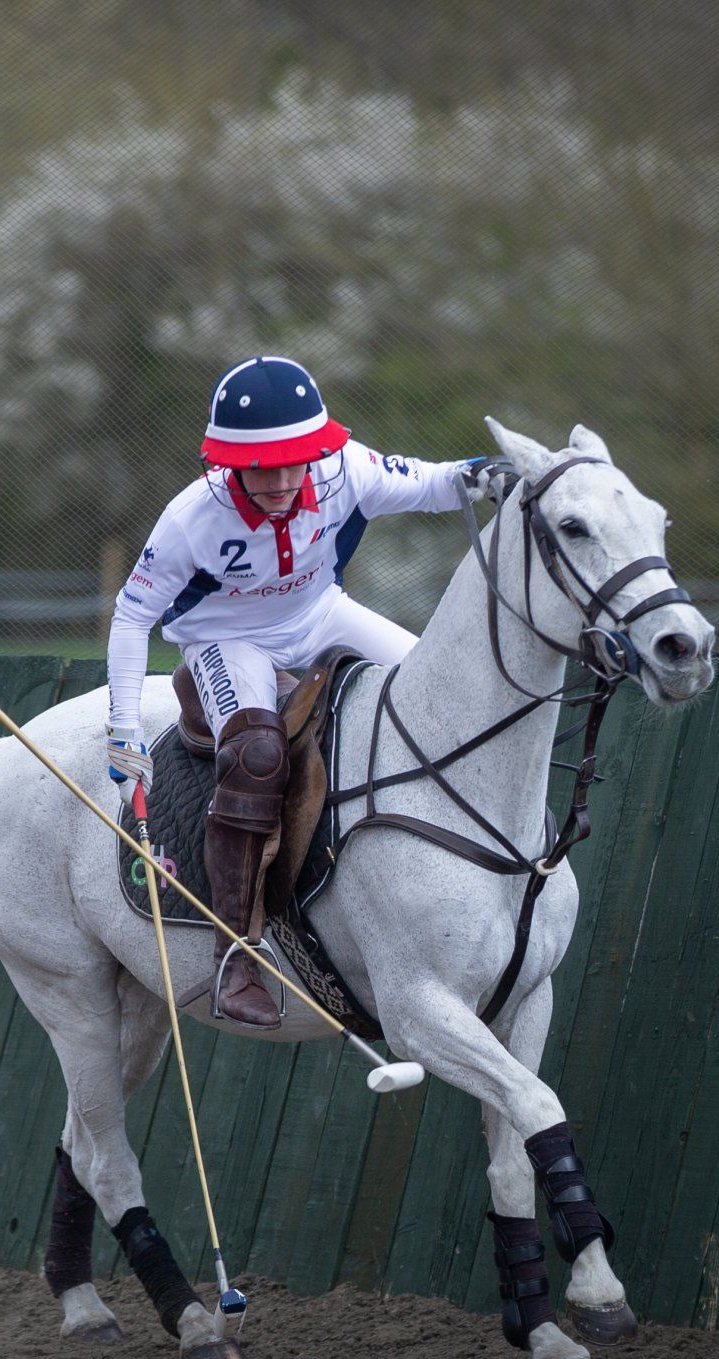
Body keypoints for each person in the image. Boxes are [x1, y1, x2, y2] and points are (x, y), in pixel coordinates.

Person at [103, 355, 510, 1025]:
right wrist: (124, 728)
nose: (285, 481)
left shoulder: (344, 468)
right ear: (229, 463)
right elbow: (132, 615)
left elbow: (435, 483)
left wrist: (484, 476)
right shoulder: (191, 518)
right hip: (227, 637)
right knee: (256, 754)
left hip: (319, 613)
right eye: (265, 468)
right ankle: (237, 952)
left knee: (446, 695)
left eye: (298, 462)